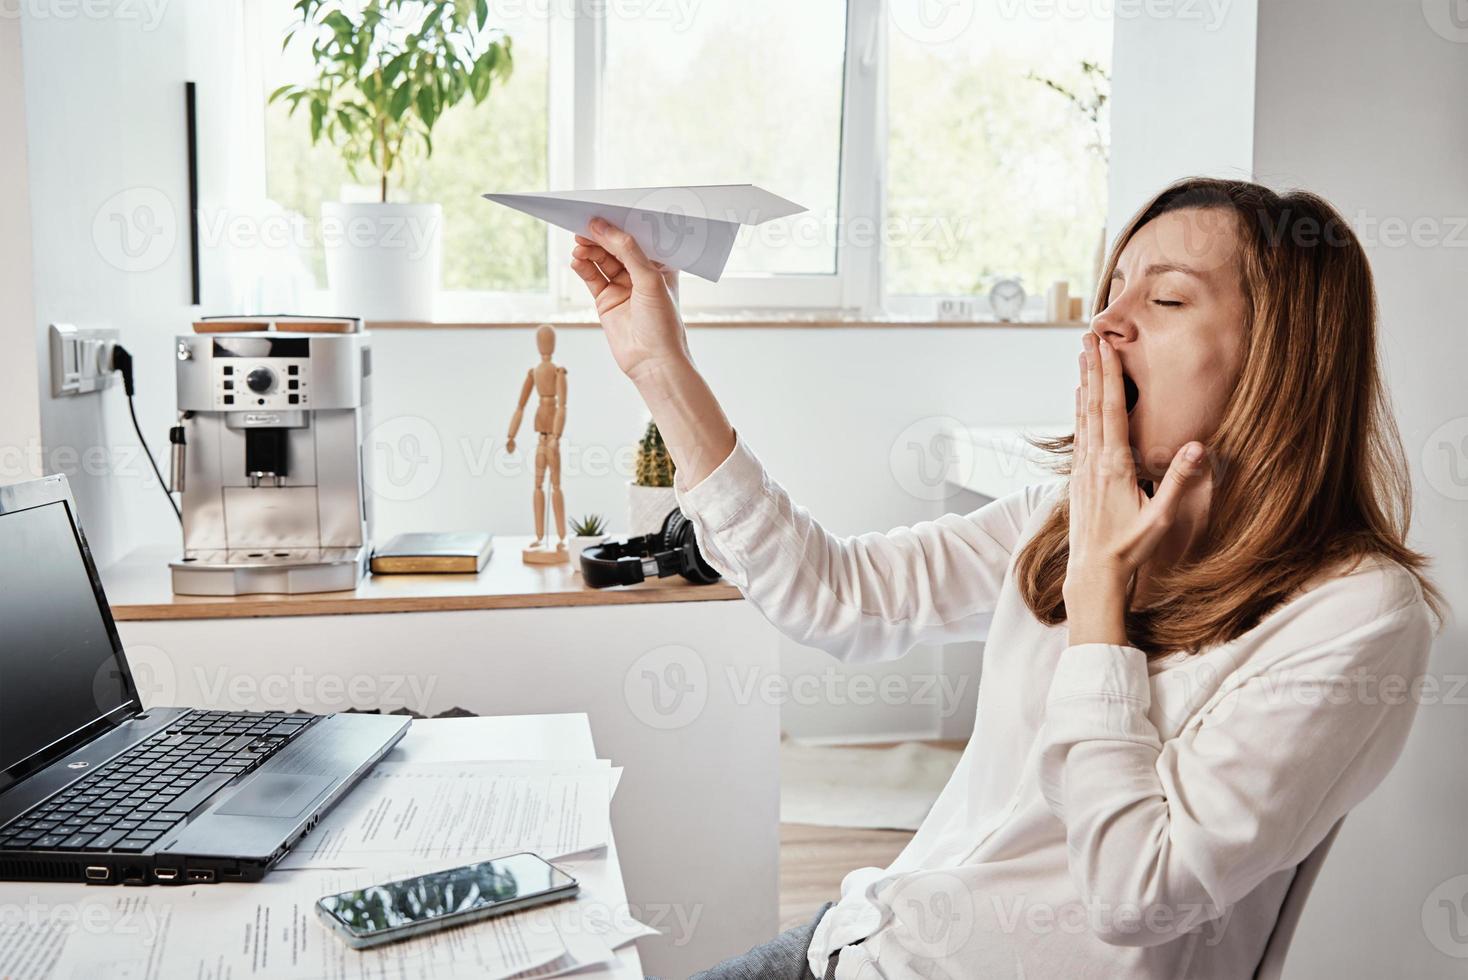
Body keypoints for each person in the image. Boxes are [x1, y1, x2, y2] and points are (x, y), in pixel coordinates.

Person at [569, 177, 1445, 979]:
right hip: (865, 942)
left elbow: (1135, 893)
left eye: (1167, 297)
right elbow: (837, 598)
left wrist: (1102, 599)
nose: (1105, 325)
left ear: (1281, 363)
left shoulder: (1355, 614)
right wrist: (659, 365)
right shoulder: (1059, 514)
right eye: (1112, 292)